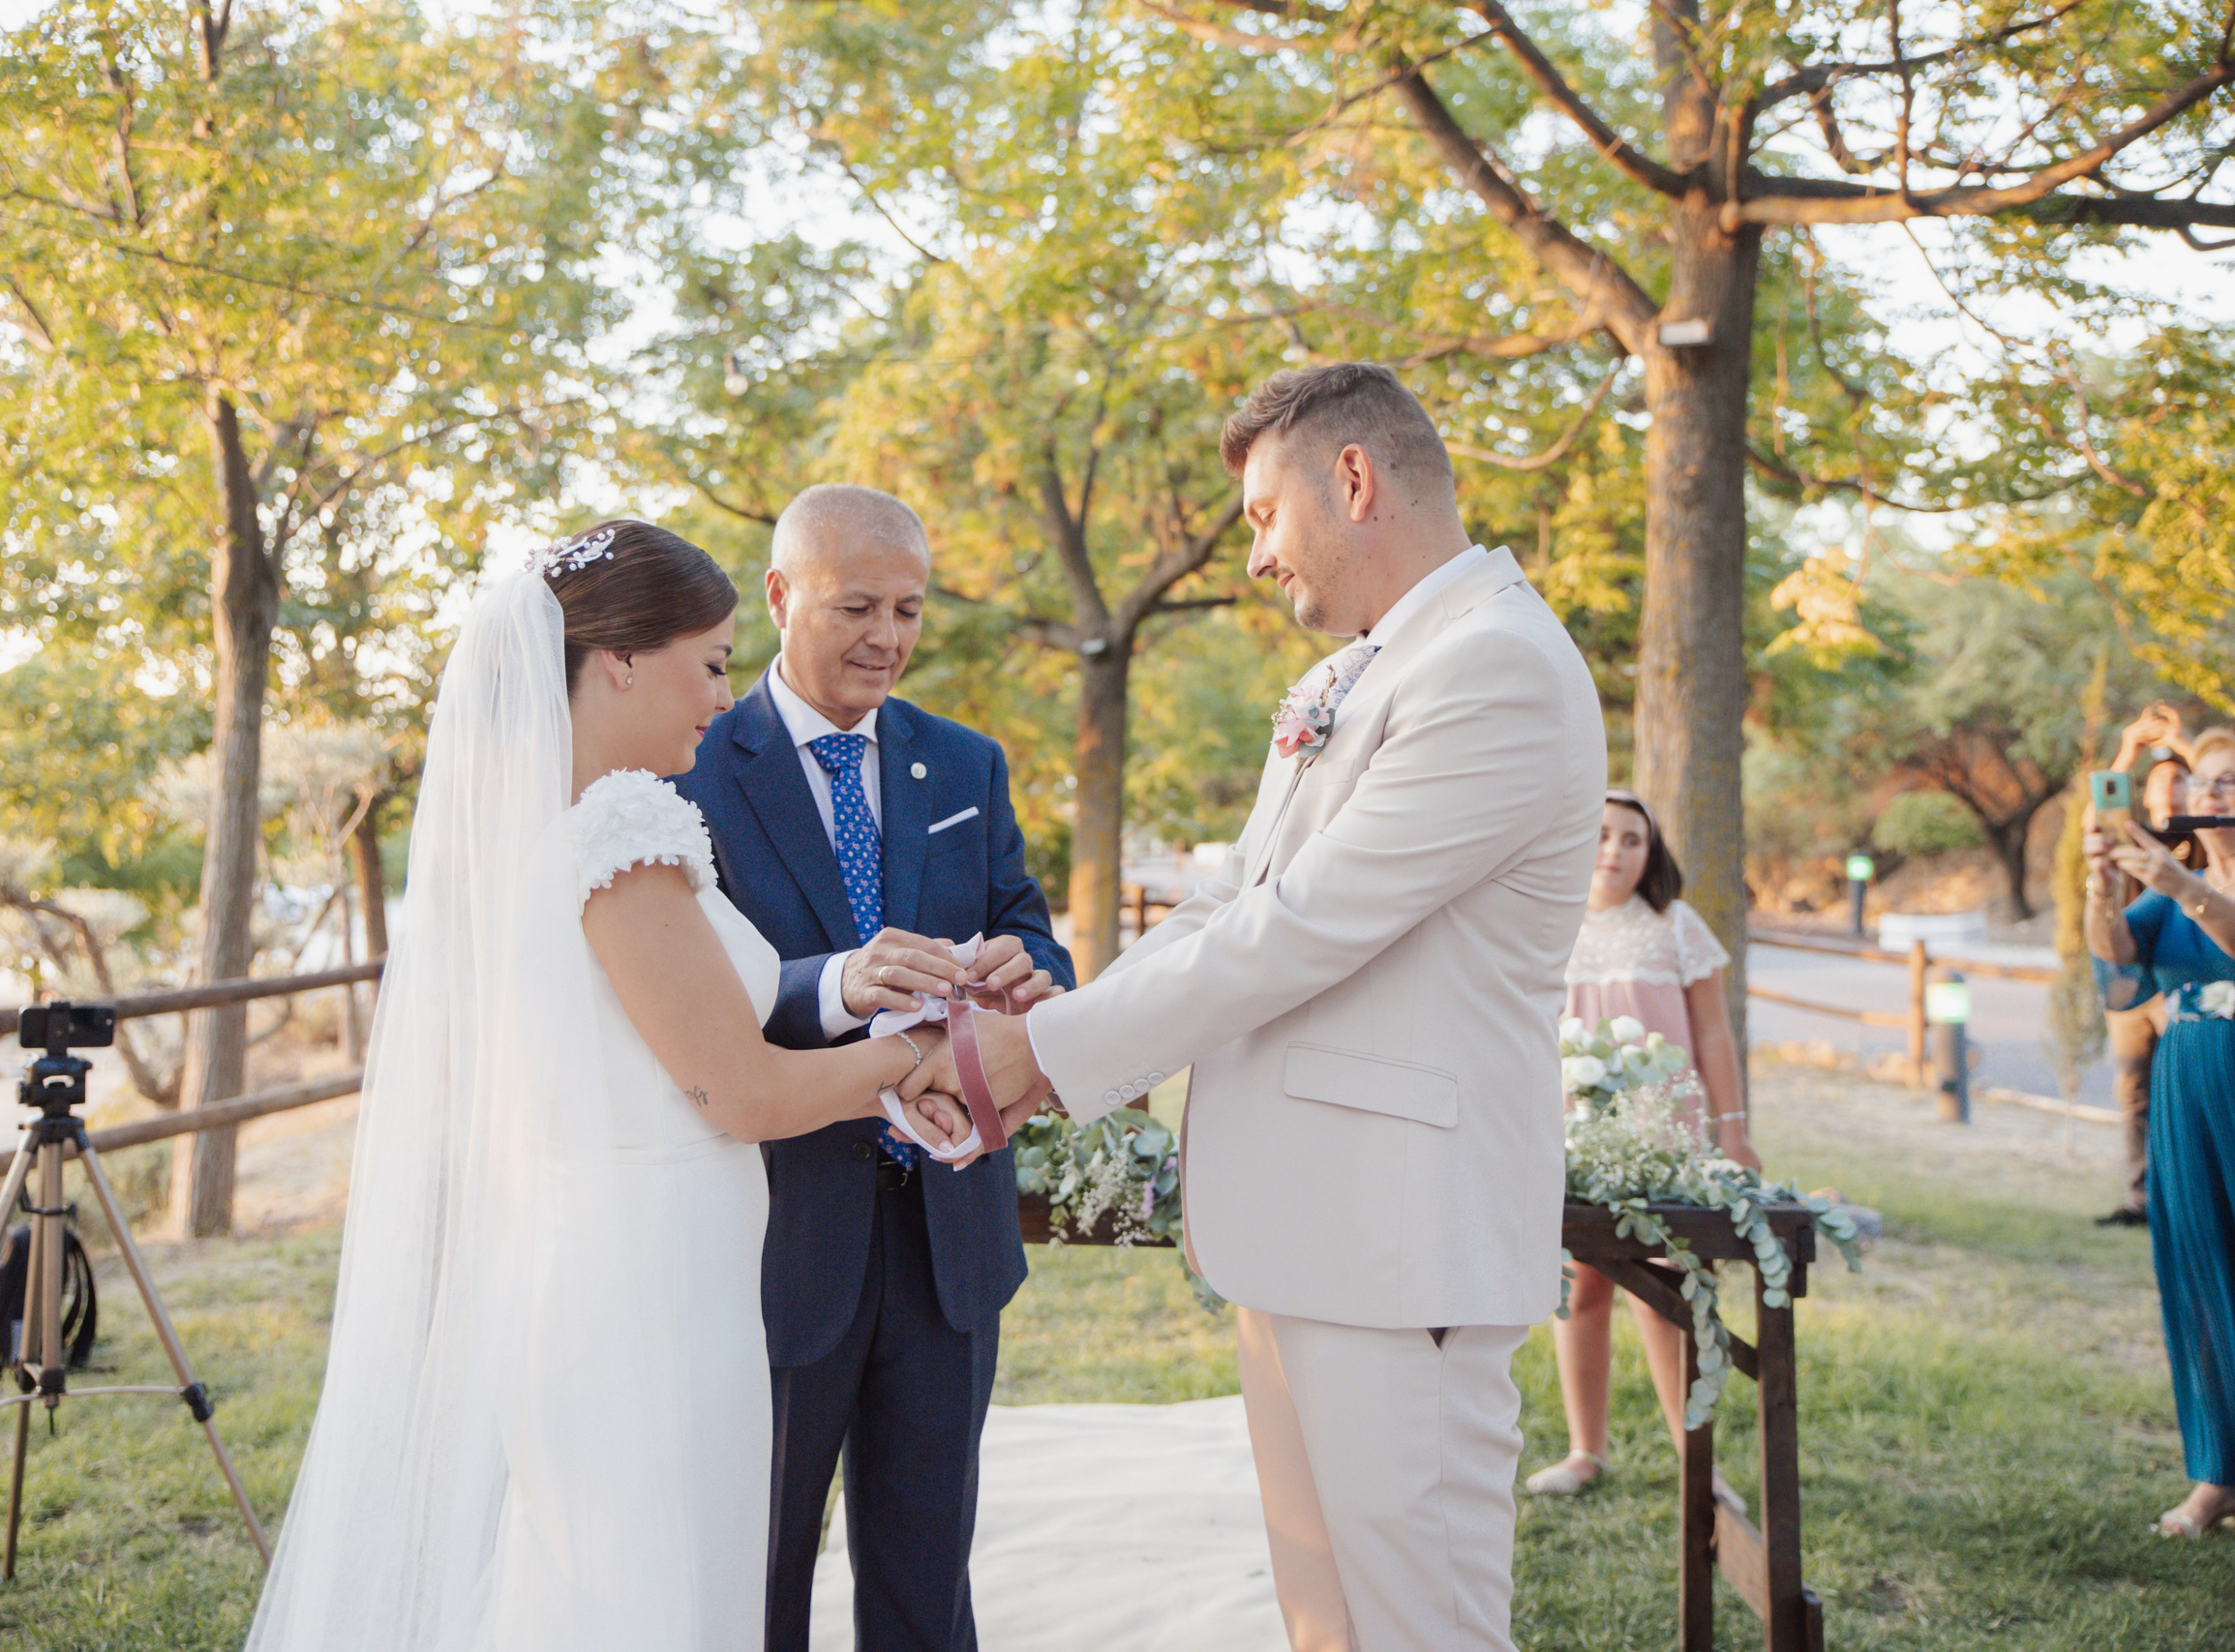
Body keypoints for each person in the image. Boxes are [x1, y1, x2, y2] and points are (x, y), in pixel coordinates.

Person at [908, 362, 1606, 1652]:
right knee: (1326, 1622)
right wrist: (1064, 999)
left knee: (1423, 1624)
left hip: (1400, 1247)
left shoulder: (1495, 664)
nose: (1257, 556)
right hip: (1313, 1230)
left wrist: (1039, 1057)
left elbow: (1302, 930)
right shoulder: (1374, 667)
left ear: (1354, 480)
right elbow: (1237, 896)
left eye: (1259, 516)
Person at [244, 521, 973, 1651]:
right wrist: (921, 1059)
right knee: (652, 1592)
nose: (720, 693)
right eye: (713, 659)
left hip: (614, 1254)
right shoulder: (617, 839)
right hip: (649, 1286)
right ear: (621, 658)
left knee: (614, 1580)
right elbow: (740, 1097)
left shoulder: (539, 833)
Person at [678, 484, 1072, 1652]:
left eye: (909, 609)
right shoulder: (688, 772)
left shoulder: (964, 765)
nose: (887, 638)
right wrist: (832, 982)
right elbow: (695, 997)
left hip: (951, 1238)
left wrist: (1022, 967)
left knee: (924, 1580)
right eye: (858, 606)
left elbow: (1033, 933)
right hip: (777, 1233)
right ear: (780, 595)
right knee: (760, 1578)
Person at [2084, 727, 2235, 1571]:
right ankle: (2223, 1472)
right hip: (2185, 1094)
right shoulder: (2176, 889)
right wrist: (2102, 890)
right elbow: (2118, 965)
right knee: (2198, 1275)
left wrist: (2177, 881)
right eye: (2199, 786)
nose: (2204, 798)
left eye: (2228, 783)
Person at [1525, 791, 1756, 1498]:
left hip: (1662, 1137)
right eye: (1600, 834)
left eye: (1632, 839)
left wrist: (1734, 1129)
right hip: (1576, 1136)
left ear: (1651, 853)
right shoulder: (1544, 925)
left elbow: (1714, 1032)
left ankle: (1697, 1459)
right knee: (1583, 1285)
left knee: (1668, 1295)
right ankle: (1584, 1450)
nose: (1614, 851)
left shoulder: (1675, 925)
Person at [2095, 704, 2195, 1227]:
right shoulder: (2126, 832)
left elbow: (2230, 784)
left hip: (2185, 978)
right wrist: (2129, 751)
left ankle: (2187, 1197)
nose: (2168, 792)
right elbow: (2098, 811)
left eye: (2179, 782)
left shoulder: (2204, 837)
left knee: (2186, 1090)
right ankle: (2142, 1200)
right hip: (2132, 981)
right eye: (2158, 784)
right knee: (2133, 1092)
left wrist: (2183, 743)